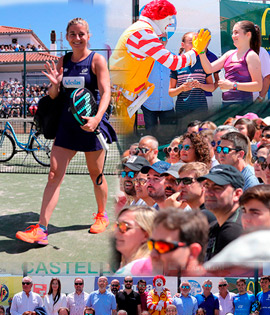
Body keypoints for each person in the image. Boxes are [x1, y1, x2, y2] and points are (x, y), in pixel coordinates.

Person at [16, 17, 117, 244]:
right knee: (53, 175)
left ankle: (102, 215)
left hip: (90, 125)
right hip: (66, 127)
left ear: (88, 36)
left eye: (81, 33)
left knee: (96, 174)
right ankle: (41, 229)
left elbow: (106, 92)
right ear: (67, 36)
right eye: (72, 34)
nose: (77, 38)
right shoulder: (63, 61)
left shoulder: (97, 60)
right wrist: (54, 84)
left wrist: (97, 119)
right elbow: (54, 96)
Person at [109, 0, 210, 134]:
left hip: (123, 98)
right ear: (159, 17)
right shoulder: (143, 32)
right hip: (121, 98)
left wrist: (140, 83)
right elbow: (175, 63)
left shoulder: (140, 30)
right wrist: (196, 50)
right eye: (168, 18)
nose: (169, 23)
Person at [200, 20, 262, 105]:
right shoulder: (229, 53)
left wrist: (233, 85)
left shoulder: (251, 55)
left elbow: (258, 86)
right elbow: (209, 69)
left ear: (248, 35)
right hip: (225, 104)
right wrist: (201, 51)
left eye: (236, 32)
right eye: (232, 33)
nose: (233, 36)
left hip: (243, 105)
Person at [198, 164, 245, 261]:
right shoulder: (216, 225)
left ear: (237, 194)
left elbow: (223, 275)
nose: (209, 193)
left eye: (217, 188)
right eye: (207, 186)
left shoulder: (233, 230)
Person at [169, 31, 215, 121]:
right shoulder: (177, 63)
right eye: (191, 42)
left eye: (196, 42)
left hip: (201, 110)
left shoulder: (203, 62)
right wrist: (182, 88)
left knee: (201, 134)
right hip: (182, 111)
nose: (194, 45)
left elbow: (212, 87)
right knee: (183, 134)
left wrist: (200, 85)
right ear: (183, 45)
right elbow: (170, 92)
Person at [149, 208, 209, 276]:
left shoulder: (215, 285)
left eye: (162, 247)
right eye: (151, 245)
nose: (153, 254)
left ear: (193, 252)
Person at [141, 32, 175, 135]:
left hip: (167, 105)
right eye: (158, 38)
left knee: (169, 138)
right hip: (149, 105)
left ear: (167, 41)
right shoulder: (144, 59)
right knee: (151, 138)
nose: (161, 41)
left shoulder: (173, 58)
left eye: (163, 39)